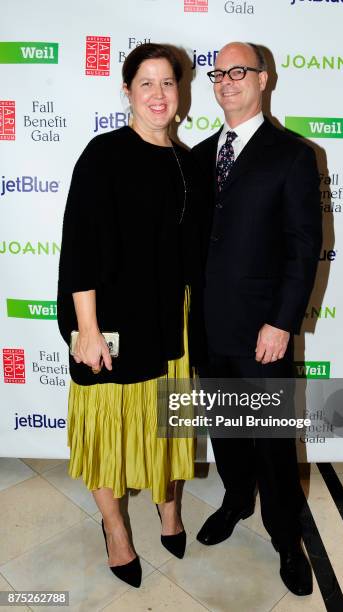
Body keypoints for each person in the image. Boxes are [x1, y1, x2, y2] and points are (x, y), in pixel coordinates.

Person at [57, 43, 204, 588]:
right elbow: (79, 250)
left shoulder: (187, 163)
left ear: (180, 92)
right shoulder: (103, 155)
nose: (159, 94)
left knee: (164, 427)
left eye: (168, 83)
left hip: (169, 325)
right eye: (147, 83)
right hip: (111, 325)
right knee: (106, 435)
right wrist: (88, 329)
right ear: (127, 90)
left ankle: (169, 510)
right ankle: (115, 530)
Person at [192, 42, 322, 596]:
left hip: (263, 331)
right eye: (218, 73)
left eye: (238, 71)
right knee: (225, 430)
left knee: (272, 439)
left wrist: (281, 322)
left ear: (264, 80)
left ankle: (286, 538)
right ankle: (236, 500)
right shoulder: (197, 155)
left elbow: (302, 248)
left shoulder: (293, 154)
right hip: (206, 328)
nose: (226, 81)